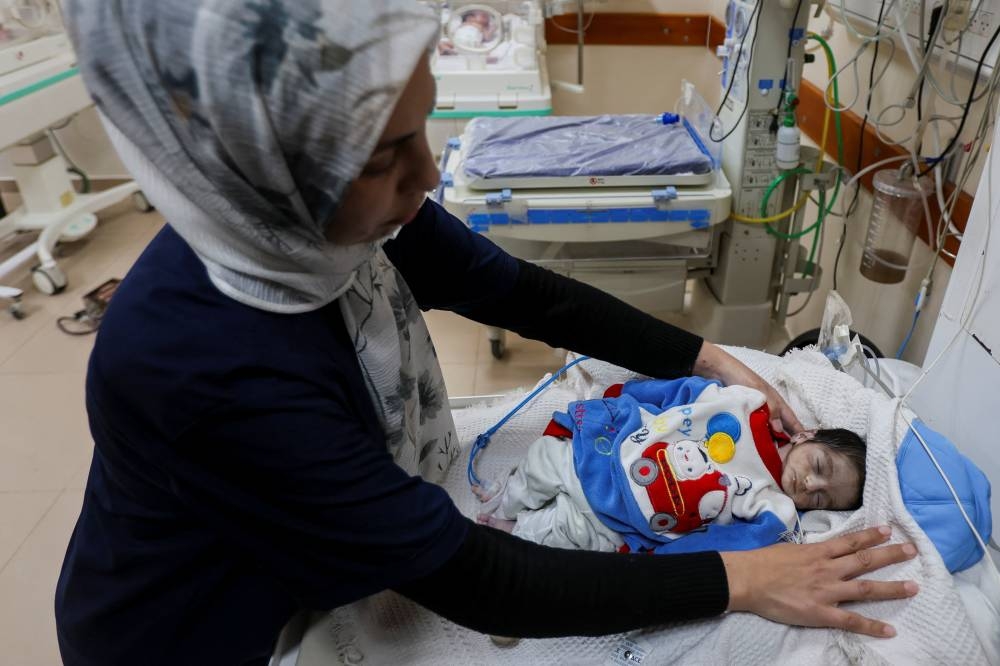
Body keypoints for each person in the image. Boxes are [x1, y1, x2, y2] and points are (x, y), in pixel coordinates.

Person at [54, 3, 918, 665]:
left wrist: (699, 355)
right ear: (252, 166)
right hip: (195, 631)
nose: (428, 176)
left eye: (418, 133)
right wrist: (742, 579)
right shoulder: (201, 368)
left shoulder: (332, 225)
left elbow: (521, 292)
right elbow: (482, 582)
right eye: (385, 158)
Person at [474, 377, 867, 554]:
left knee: (563, 536)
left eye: (821, 500)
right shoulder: (747, 406)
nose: (810, 483)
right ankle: (506, 501)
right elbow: (683, 392)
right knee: (545, 457)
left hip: (624, 522)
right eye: (820, 465)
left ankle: (515, 530)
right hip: (609, 452)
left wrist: (664, 563)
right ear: (805, 435)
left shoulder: (775, 510)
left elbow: (722, 545)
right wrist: (623, 397)